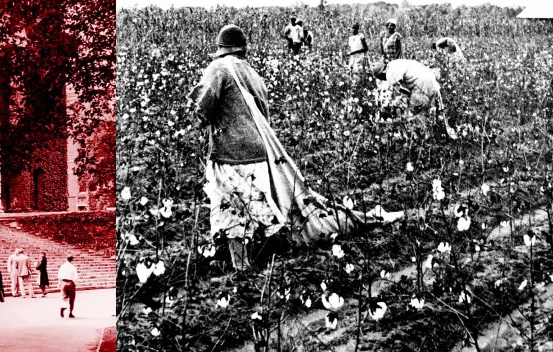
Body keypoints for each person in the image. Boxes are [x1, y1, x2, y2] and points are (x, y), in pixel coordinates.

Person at [188, 25, 399, 269]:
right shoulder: (252, 74)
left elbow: (201, 109)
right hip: (261, 154)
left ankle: (242, 266)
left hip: (232, 154)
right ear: (243, 49)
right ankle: (263, 251)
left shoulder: (219, 68)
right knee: (258, 205)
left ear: (222, 49)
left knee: (230, 207)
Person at [371, 59, 458, 139]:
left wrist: (395, 107)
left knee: (414, 114)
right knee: (427, 111)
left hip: (421, 85)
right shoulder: (394, 63)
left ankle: (421, 139)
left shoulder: (390, 73)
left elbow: (401, 94)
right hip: (431, 81)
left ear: (382, 73)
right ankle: (435, 133)